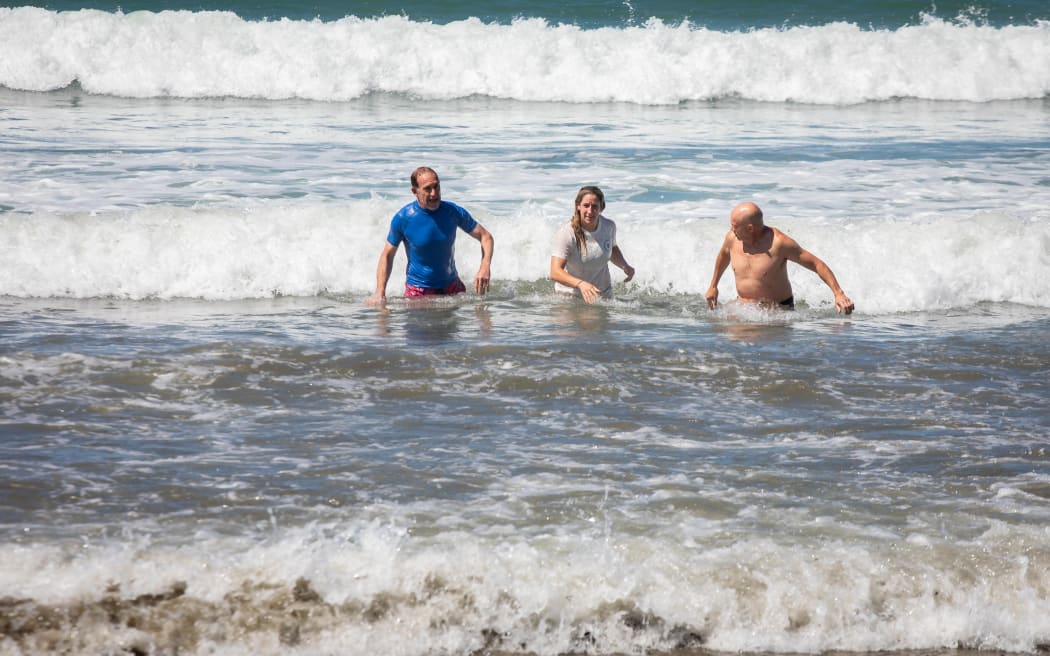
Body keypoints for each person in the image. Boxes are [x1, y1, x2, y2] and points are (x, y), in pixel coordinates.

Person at [369, 167, 494, 303]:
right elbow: (387, 254)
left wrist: (485, 266)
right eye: (428, 189)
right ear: (414, 191)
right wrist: (379, 292)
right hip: (419, 292)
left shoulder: (452, 212)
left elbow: (485, 237)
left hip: (452, 287)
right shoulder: (403, 218)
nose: (434, 193)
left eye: (437, 187)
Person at [705, 201, 854, 314]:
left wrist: (838, 294)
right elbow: (724, 254)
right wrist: (713, 286)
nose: (731, 229)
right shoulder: (732, 238)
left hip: (777, 312)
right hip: (743, 307)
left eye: (734, 225)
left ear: (750, 228)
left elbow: (816, 264)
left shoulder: (779, 243)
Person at [549, 186, 635, 304]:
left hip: (603, 297)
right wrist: (580, 284)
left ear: (601, 208)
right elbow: (555, 272)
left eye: (595, 206)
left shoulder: (608, 226)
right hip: (570, 299)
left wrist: (625, 266)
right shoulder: (567, 233)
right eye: (586, 205)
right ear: (578, 206)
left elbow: (612, 248)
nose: (590, 211)